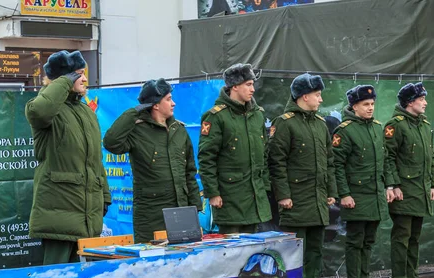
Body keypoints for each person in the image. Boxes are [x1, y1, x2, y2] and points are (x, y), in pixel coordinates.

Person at [25, 50, 110, 265]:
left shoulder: (86, 112)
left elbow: (95, 161)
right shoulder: (44, 108)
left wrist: (105, 196)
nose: (83, 78)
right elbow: (40, 111)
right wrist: (64, 81)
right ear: (64, 78)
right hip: (59, 217)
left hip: (87, 215)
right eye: (78, 74)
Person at [268, 73, 337, 278]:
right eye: (317, 95)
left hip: (317, 200)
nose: (320, 99)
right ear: (304, 96)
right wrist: (284, 195)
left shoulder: (320, 123)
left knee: (315, 250)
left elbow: (329, 161)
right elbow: (276, 162)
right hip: (295, 200)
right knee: (295, 251)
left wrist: (331, 191)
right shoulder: (285, 123)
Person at [103, 79, 202, 243]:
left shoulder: (179, 130)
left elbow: (189, 173)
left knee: (184, 262)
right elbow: (111, 143)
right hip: (151, 213)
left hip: (181, 209)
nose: (174, 103)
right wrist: (134, 112)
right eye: (168, 99)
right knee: (152, 263)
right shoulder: (137, 130)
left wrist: (195, 208)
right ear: (155, 104)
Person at [333, 85, 396, 278]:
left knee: (368, 241)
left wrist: (389, 186)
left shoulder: (377, 128)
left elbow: (385, 160)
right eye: (365, 105)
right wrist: (344, 194)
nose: (370, 108)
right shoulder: (345, 130)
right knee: (355, 241)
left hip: (375, 194)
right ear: (354, 106)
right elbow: (337, 165)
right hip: (356, 196)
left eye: (372, 104)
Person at [198, 63, 271, 234]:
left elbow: (264, 154)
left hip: (255, 198)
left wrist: (265, 186)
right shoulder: (216, 116)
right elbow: (206, 158)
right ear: (235, 86)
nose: (253, 89)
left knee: (253, 255)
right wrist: (213, 193)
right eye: (248, 84)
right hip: (229, 198)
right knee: (230, 254)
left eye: (253, 84)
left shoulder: (258, 115)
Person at [385, 82, 434, 278]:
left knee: (415, 237)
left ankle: (412, 277)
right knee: (402, 237)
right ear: (410, 102)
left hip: (421, 190)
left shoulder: (424, 124)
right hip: (404, 191)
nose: (425, 103)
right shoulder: (395, 125)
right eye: (421, 99)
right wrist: (393, 185)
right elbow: (388, 158)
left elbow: (431, 157)